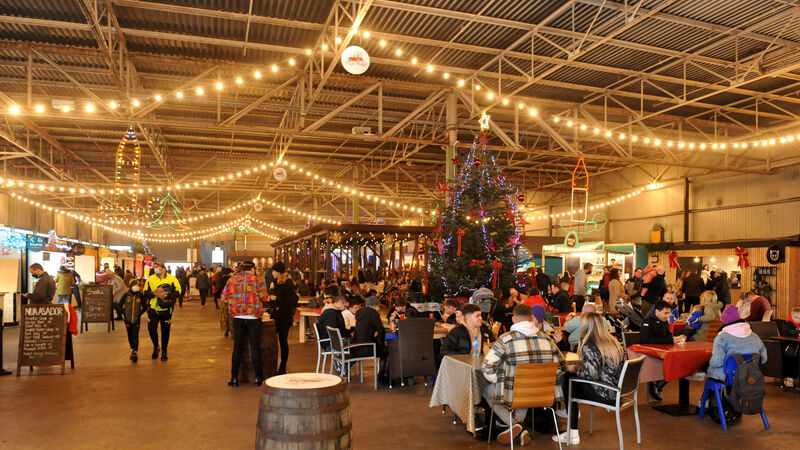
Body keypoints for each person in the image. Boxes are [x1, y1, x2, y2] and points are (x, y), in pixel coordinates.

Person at [481, 304, 566, 445]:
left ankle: (514, 425)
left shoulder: (506, 339)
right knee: (525, 386)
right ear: (532, 318)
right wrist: (547, 381)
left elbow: (487, 366)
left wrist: (498, 381)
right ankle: (519, 425)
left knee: (487, 390)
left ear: (513, 319)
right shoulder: (547, 339)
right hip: (544, 394)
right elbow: (562, 366)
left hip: (516, 393)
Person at [554, 312, 625, 445]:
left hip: (604, 393)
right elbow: (598, 366)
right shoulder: (612, 341)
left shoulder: (590, 344)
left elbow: (591, 375)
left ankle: (572, 432)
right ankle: (571, 417)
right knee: (571, 379)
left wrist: (574, 369)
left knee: (569, 379)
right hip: (617, 392)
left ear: (585, 325)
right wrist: (578, 366)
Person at [223, 261, 268, 387]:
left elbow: (224, 297)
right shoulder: (257, 280)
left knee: (237, 347)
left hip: (237, 317)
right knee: (255, 347)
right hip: (253, 317)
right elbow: (264, 297)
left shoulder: (231, 280)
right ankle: (258, 378)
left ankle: (234, 378)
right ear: (252, 269)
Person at [641, 300, 686, 401]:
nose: (668, 316)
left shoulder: (664, 322)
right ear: (657, 311)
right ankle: (657, 386)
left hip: (663, 352)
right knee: (675, 363)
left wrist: (675, 339)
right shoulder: (647, 321)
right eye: (666, 313)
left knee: (680, 362)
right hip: (650, 354)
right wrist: (670, 340)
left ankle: (657, 386)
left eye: (669, 313)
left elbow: (667, 336)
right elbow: (646, 340)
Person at [707, 305, 767, 381]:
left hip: (729, 377)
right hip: (751, 376)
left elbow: (717, 362)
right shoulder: (755, 336)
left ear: (724, 321)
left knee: (711, 369)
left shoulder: (721, 338)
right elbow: (764, 358)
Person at [143, 260, 182, 361]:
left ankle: (164, 351)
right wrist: (154, 294)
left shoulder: (172, 279)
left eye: (156, 266)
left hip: (166, 309)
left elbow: (178, 291)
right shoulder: (150, 279)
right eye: (154, 267)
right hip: (153, 308)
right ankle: (156, 346)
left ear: (163, 268)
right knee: (151, 328)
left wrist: (167, 295)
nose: (154, 268)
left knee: (165, 330)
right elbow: (145, 292)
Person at [269, 262, 298, 375]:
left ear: (278, 272)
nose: (272, 273)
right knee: (272, 341)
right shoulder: (275, 283)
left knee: (283, 341)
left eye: (273, 271)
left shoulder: (288, 284)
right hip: (275, 316)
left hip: (284, 318)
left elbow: (292, 301)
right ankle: (273, 364)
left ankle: (282, 367)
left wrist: (276, 298)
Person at [120, 279, 147, 362]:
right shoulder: (126, 295)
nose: (137, 287)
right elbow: (119, 305)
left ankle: (135, 352)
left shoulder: (141, 296)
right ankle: (132, 349)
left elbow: (145, 307)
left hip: (136, 320)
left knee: (135, 335)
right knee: (130, 335)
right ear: (131, 286)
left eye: (138, 285)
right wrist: (124, 313)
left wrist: (139, 314)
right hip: (127, 320)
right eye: (135, 285)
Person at [780, 307, 800, 389]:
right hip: (789, 349)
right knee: (793, 360)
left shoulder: (798, 325)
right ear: (792, 317)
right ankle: (789, 378)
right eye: (797, 318)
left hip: (796, 347)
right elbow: (793, 333)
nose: (799, 320)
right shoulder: (788, 325)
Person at [216, 267, 234, 336]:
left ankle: (226, 330)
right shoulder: (232, 279)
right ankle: (232, 330)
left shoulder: (220, 278)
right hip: (231, 299)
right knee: (231, 315)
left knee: (224, 315)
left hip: (223, 298)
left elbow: (219, 287)